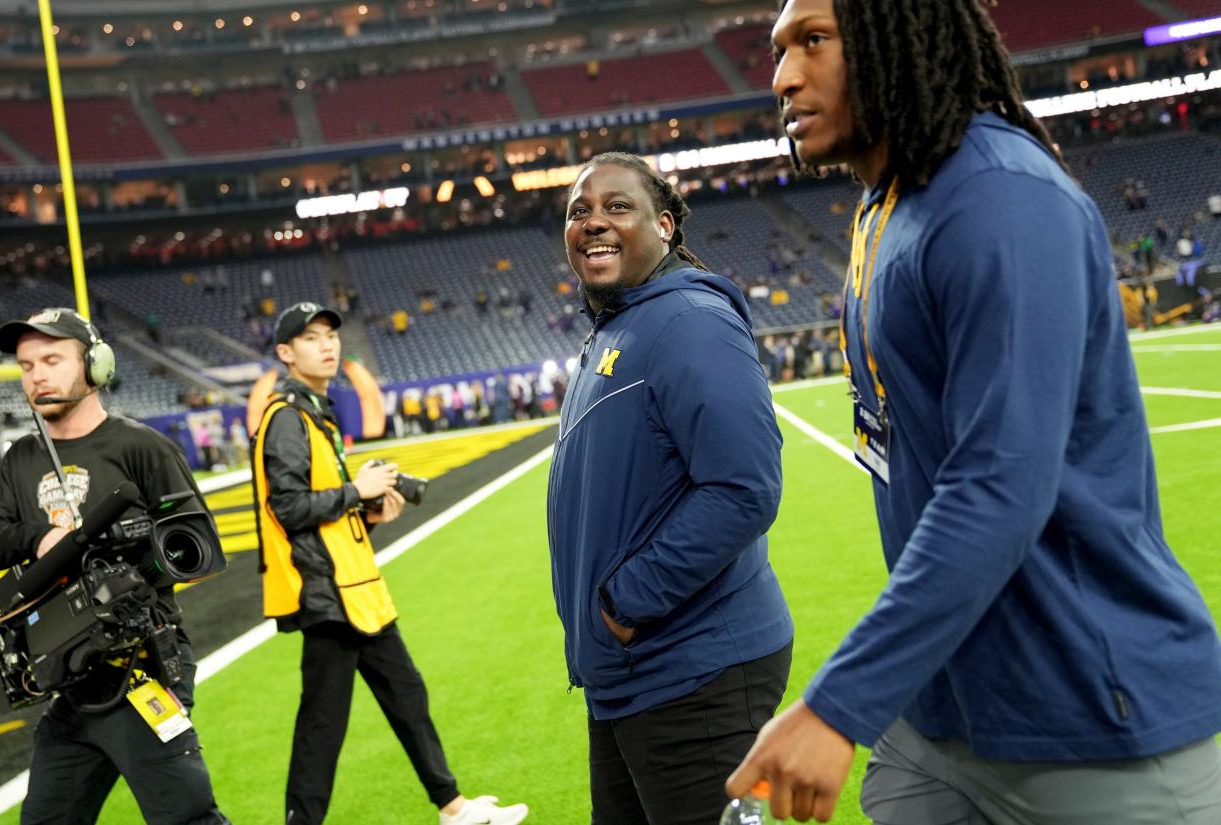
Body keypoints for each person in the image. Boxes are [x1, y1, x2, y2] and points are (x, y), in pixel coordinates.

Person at [726, 2, 1221, 823]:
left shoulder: (997, 197)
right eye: (777, 50)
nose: (781, 77)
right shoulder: (889, 202)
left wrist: (839, 700)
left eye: (813, 41)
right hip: (945, 707)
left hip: (1088, 714)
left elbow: (999, 485)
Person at [547, 152, 793, 825]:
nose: (593, 221)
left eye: (615, 206)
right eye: (578, 211)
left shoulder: (688, 320)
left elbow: (743, 487)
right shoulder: (615, 328)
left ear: (662, 224)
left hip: (693, 675)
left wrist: (625, 602)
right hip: (630, 676)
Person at [251, 302, 528, 825]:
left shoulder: (313, 411)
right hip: (329, 595)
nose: (327, 345)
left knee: (405, 695)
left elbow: (323, 511)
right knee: (323, 726)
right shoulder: (287, 417)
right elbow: (286, 509)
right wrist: (358, 490)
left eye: (330, 335)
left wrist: (370, 511)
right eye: (311, 338)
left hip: (355, 590)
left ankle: (452, 806)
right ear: (286, 353)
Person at [0, 307, 228, 825]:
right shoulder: (21, 458)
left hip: (139, 670)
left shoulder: (140, 446)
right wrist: (42, 537)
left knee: (186, 817)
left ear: (95, 366)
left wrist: (125, 559)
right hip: (67, 680)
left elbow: (196, 546)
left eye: (51, 359)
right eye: (26, 366)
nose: (37, 376)